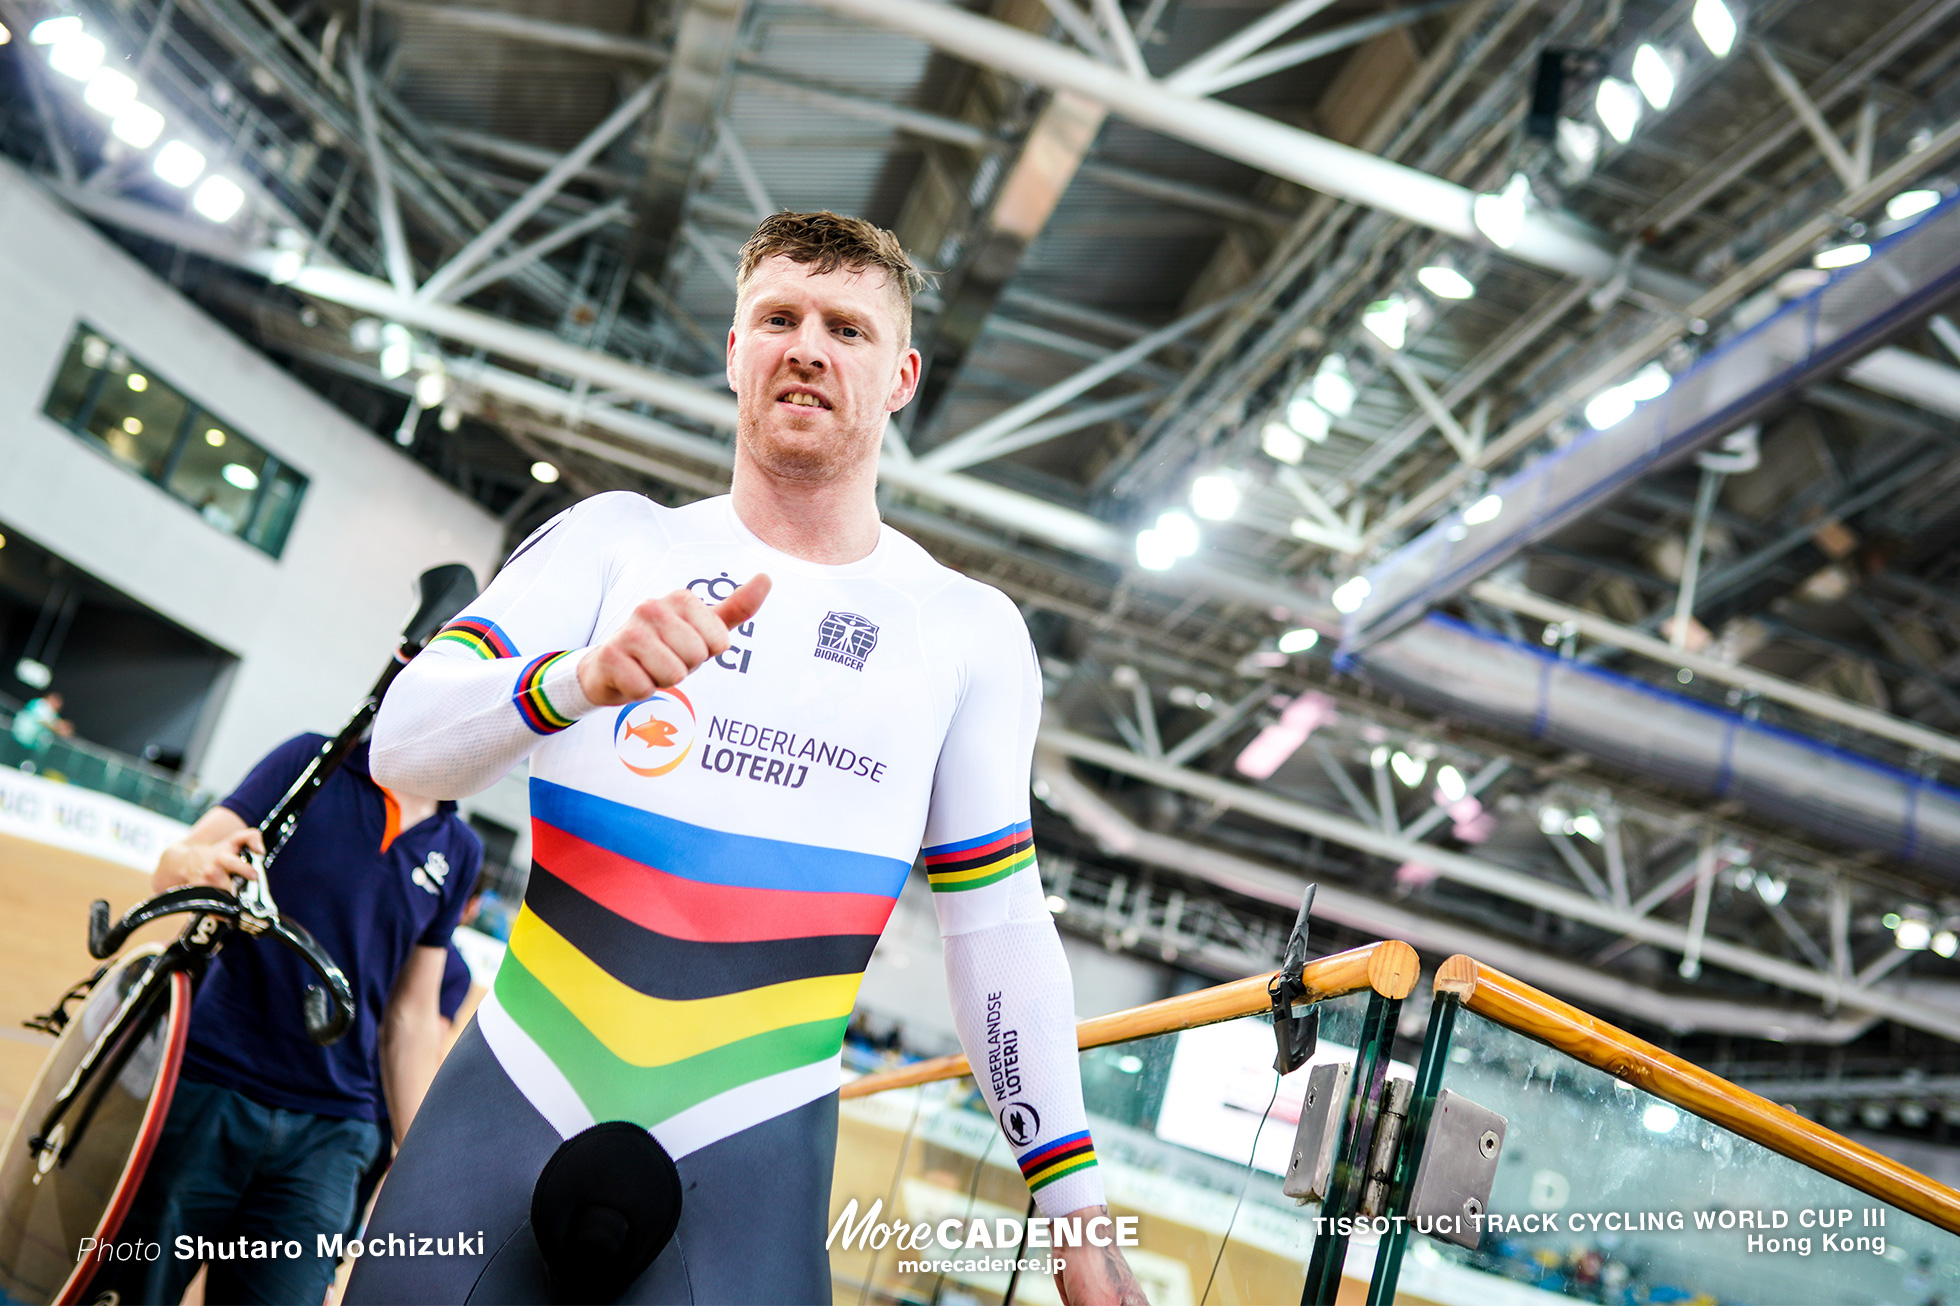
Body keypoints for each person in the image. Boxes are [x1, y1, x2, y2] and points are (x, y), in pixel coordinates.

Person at [350, 211, 1146, 1305]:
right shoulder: (612, 542)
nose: (807, 346)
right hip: (518, 1090)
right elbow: (403, 746)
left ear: (901, 375)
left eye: (847, 328)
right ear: (735, 353)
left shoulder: (966, 630)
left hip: (752, 1140)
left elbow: (996, 927)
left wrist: (1074, 1215)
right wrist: (574, 679)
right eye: (777, 317)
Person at [88, 732, 481, 1306]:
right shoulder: (311, 761)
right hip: (207, 1090)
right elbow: (172, 867)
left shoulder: (459, 848)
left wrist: (416, 1153)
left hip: (331, 1135)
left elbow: (413, 1017)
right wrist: (201, 863)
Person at [10, 689, 74, 752]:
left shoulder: (53, 714)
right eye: (56, 701)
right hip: (19, 736)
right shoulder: (38, 704)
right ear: (50, 697)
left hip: (31, 743)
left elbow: (58, 724)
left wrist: (64, 728)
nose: (57, 705)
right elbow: (43, 721)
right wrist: (57, 729)